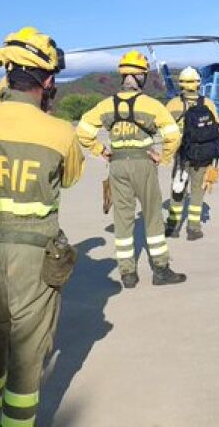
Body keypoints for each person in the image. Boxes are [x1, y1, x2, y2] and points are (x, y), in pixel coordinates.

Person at [0, 26, 84, 427]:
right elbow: (70, 178)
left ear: (7, 74)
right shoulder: (59, 132)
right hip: (34, 263)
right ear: (47, 82)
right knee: (27, 363)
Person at [76, 51, 187, 288]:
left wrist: (101, 150)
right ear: (141, 76)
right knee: (153, 217)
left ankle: (127, 273)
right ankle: (160, 270)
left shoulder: (106, 105)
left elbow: (83, 131)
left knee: (123, 218)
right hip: (143, 163)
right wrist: (163, 158)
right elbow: (173, 135)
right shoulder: (151, 105)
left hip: (117, 165)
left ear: (123, 75)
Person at [165, 67, 219, 240]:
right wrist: (215, 155)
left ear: (181, 84)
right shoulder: (208, 104)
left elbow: (164, 130)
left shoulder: (173, 104)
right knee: (198, 192)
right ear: (198, 84)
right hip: (203, 157)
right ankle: (194, 229)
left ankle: (173, 227)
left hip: (181, 156)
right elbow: (217, 130)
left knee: (178, 191)